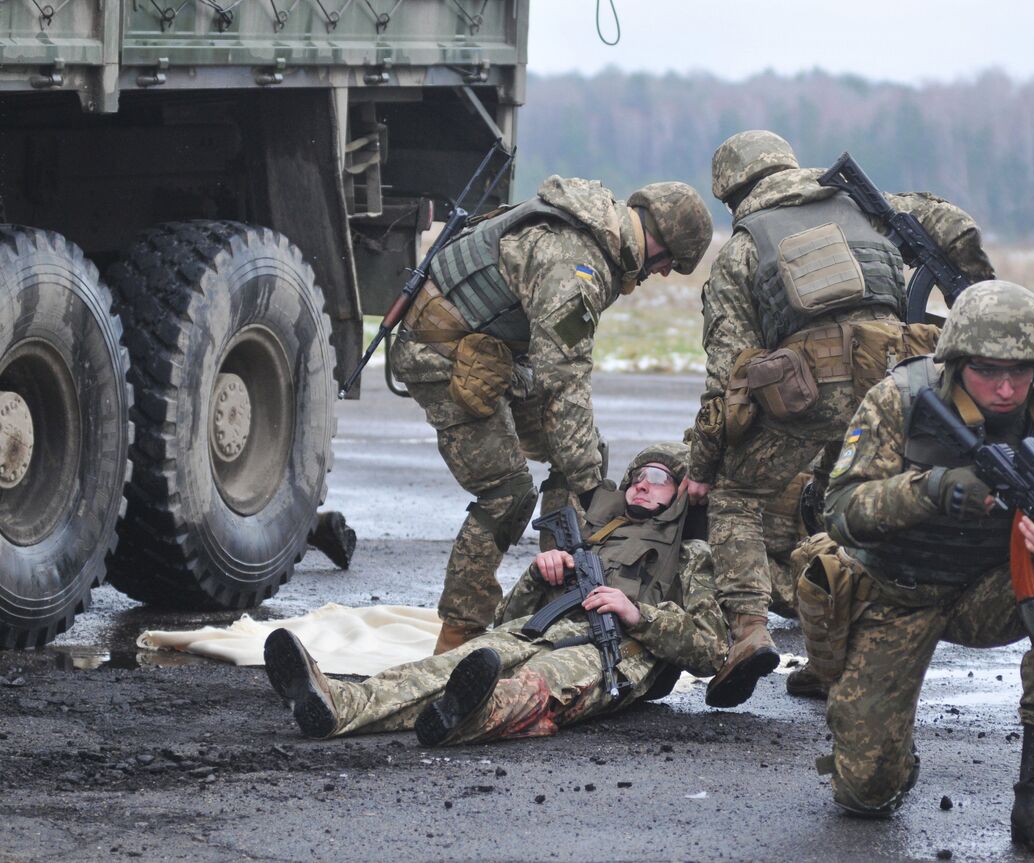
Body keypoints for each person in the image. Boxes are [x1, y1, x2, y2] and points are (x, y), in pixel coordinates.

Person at [684, 130, 994, 707]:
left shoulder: (742, 248)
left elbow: (727, 377)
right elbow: (953, 224)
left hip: (807, 394)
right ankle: (837, 656)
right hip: (896, 382)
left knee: (737, 496)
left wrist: (702, 463)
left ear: (732, 192)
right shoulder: (867, 208)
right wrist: (979, 290)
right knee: (848, 505)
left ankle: (749, 633)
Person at [812, 280, 1034, 856]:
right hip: (895, 590)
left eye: (1022, 373)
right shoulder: (899, 400)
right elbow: (840, 512)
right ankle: (891, 754)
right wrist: (933, 491)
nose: (1008, 388)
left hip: (987, 588)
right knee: (866, 794)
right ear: (958, 359)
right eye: (991, 371)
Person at [389, 176, 713, 654]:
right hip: (440, 356)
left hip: (490, 353)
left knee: (580, 450)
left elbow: (559, 386)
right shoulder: (577, 265)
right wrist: (587, 487)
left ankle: (564, 578)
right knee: (507, 493)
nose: (662, 275)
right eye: (670, 265)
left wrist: (581, 469)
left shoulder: (593, 231)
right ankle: (460, 630)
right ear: (659, 244)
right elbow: (564, 378)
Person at [263, 443, 728, 747]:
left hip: (614, 655)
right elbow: (513, 616)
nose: (644, 484)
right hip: (540, 629)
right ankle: (336, 706)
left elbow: (712, 651)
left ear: (682, 495)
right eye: (638, 476)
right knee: (445, 667)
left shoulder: (690, 555)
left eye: (660, 478)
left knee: (536, 686)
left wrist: (637, 613)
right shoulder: (597, 536)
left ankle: (464, 717)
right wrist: (539, 576)